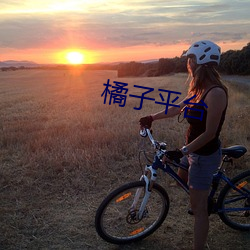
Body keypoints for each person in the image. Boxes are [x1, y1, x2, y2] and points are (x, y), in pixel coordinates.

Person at [139, 40, 228, 250]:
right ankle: (202, 195)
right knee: (182, 179)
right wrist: (151, 117)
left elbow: (209, 133)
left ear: (199, 63)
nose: (188, 63)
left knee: (199, 211)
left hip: (204, 155)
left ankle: (201, 215)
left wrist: (182, 151)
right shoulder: (199, 89)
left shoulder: (215, 93)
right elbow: (176, 109)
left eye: (191, 59)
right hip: (192, 150)